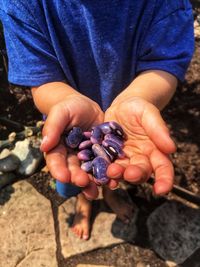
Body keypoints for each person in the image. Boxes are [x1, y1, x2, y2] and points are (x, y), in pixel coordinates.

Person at [0, 0, 194, 240]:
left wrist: (138, 97)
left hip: (128, 116)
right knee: (78, 177)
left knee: (114, 172)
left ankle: (110, 194)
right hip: (68, 119)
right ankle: (84, 200)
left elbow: (164, 64)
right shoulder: (22, 4)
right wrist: (65, 99)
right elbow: (41, 80)